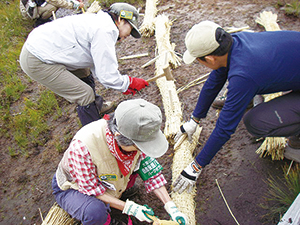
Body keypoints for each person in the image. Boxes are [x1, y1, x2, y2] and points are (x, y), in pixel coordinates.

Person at [173, 21, 300, 194]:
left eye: (198, 60)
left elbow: (224, 129)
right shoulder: (235, 42)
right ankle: (252, 97)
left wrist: (196, 166)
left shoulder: (244, 75)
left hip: (259, 75)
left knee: (255, 122)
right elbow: (214, 81)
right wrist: (194, 120)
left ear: (209, 59)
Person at [52, 99, 188, 225]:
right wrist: (129, 208)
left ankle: (117, 196)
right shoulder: (83, 147)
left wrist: (170, 206)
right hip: (75, 186)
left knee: (137, 168)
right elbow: (92, 190)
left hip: (106, 178)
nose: (141, 151)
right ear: (119, 136)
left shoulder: (136, 133)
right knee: (95, 212)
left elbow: (151, 174)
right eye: (138, 147)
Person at [19, 3, 149, 127]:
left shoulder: (101, 22)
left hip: (47, 47)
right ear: (120, 19)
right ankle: (94, 133)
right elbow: (106, 76)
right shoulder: (105, 30)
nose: (129, 35)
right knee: (84, 94)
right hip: (37, 59)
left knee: (85, 73)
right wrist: (128, 83)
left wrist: (122, 85)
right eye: (130, 29)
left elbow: (98, 66)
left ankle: (96, 106)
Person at [19, 0, 84, 27]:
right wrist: (73, 5)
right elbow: (56, 2)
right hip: (30, 12)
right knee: (52, 7)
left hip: (37, 6)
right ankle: (40, 21)